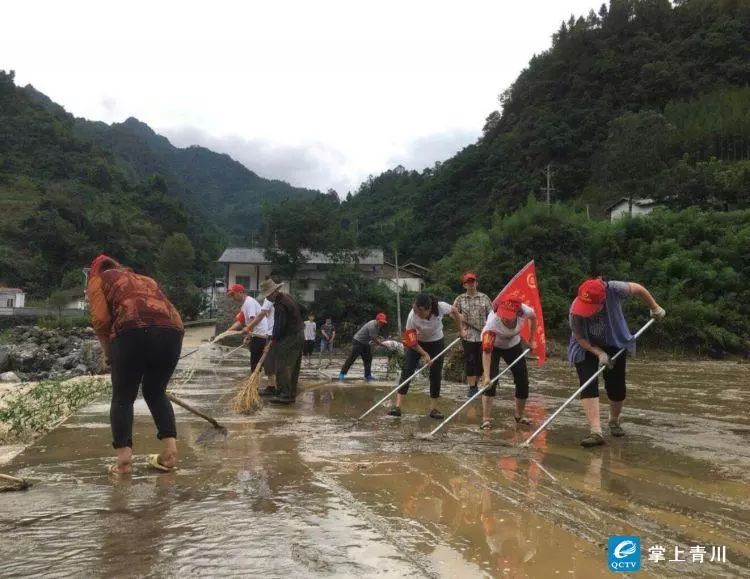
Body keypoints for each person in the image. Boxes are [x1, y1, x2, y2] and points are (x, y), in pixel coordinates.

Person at [87, 254, 184, 475]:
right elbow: (168, 311)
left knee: (123, 396)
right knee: (156, 392)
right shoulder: (145, 279)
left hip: (133, 330)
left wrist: (108, 352)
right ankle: (169, 453)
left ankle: (123, 462)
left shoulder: (99, 280)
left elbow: (101, 320)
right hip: (172, 333)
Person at [568, 277, 666, 447]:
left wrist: (654, 308)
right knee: (588, 382)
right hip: (587, 346)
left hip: (615, 342)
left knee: (616, 387)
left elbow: (639, 288)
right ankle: (596, 432)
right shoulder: (575, 311)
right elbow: (579, 337)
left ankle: (614, 421)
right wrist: (598, 353)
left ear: (603, 300)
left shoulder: (614, 289)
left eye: (591, 308)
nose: (587, 311)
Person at [388, 294, 461, 419]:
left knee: (435, 374)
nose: (415, 312)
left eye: (417, 310)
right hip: (417, 343)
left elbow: (455, 311)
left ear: (425, 309)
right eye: (414, 309)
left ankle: (433, 409)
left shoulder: (440, 307)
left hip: (436, 342)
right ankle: (398, 406)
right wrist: (425, 354)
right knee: (407, 371)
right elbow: (411, 341)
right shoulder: (412, 316)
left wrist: (460, 329)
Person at [480, 297, 537, 430]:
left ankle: (519, 416)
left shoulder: (526, 311)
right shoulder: (492, 322)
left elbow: (533, 319)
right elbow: (487, 352)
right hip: (493, 346)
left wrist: (531, 339)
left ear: (518, 313)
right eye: (503, 314)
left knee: (522, 380)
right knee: (491, 381)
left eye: (508, 316)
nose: (504, 318)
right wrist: (487, 376)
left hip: (512, 344)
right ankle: (486, 419)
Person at [257, 278, 304, 405]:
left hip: (290, 337)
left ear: (274, 292)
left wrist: (270, 342)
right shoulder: (288, 297)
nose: (267, 299)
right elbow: (302, 309)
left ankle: (285, 395)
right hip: (299, 334)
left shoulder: (280, 305)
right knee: (293, 366)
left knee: (282, 365)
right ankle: (290, 393)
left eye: (268, 296)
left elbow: (279, 327)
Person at [453, 271, 494, 398]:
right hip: (468, 335)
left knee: (482, 362)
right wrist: (460, 324)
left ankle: (482, 384)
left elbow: (492, 315)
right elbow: (452, 313)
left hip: (483, 336)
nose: (471, 284)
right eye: (468, 282)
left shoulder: (484, 298)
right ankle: (472, 387)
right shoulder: (460, 299)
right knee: (470, 361)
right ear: (464, 285)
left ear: (476, 283)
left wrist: (489, 329)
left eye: (473, 282)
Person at [242, 283, 277, 397]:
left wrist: (248, 331)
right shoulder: (276, 301)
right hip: (270, 333)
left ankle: (258, 387)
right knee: (268, 362)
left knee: (259, 362)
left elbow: (259, 317)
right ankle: (271, 386)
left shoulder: (268, 301)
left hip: (267, 334)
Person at [225, 283, 269, 373]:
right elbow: (240, 322)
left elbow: (253, 320)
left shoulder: (249, 303)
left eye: (233, 294)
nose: (232, 297)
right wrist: (228, 332)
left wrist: (248, 335)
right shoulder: (245, 305)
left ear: (240, 292)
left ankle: (256, 385)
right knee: (260, 362)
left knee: (256, 363)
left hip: (260, 335)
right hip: (256, 334)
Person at [338, 313, 388, 382]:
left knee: (368, 359)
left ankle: (367, 376)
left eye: (383, 322)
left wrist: (378, 342)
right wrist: (381, 344)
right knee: (352, 358)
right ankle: (342, 374)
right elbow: (374, 338)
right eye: (381, 322)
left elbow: (374, 337)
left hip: (365, 343)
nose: (382, 324)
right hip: (358, 341)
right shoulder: (372, 325)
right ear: (377, 319)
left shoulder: (378, 326)